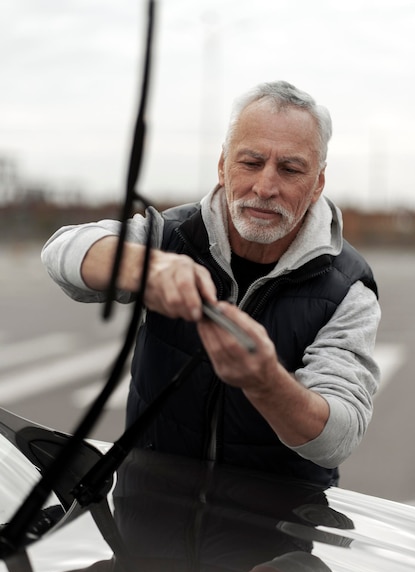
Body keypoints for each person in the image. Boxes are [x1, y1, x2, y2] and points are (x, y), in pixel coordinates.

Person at [41, 80, 381, 487]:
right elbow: (61, 252)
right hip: (149, 514)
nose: (265, 187)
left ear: (318, 184)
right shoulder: (172, 235)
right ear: (222, 165)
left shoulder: (348, 288)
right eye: (250, 162)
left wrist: (265, 382)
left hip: (279, 534)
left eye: (290, 169)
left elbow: (337, 438)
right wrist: (146, 267)